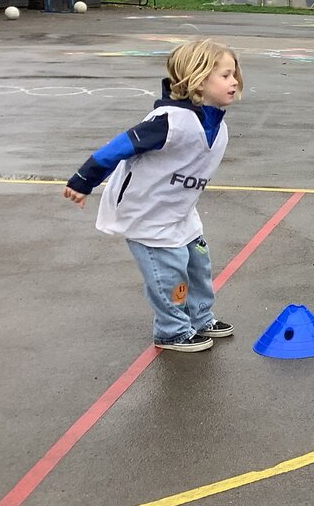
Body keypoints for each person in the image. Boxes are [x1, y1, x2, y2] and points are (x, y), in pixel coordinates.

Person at [62, 38, 244, 353]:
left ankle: (200, 318)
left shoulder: (215, 125)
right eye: (225, 75)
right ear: (198, 81)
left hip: (179, 211)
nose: (234, 81)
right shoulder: (169, 122)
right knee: (170, 275)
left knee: (198, 266)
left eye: (234, 74)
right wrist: (83, 180)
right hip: (148, 215)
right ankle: (172, 331)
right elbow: (118, 148)